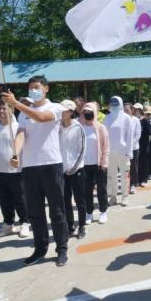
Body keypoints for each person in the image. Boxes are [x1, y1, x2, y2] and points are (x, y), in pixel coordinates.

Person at [1, 75, 69, 267]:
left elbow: (41, 117)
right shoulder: (23, 114)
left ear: (46, 88)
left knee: (57, 211)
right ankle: (40, 249)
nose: (33, 90)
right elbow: (21, 134)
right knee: (35, 212)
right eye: (31, 87)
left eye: (37, 87)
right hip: (30, 167)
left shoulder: (55, 107)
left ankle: (62, 248)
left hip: (51, 164)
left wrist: (16, 103)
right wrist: (15, 153)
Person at [0, 101, 30, 238]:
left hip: (16, 171)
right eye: (0, 108)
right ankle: (8, 223)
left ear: (12, 110)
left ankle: (25, 222)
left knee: (20, 198)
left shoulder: (17, 127)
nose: (2, 111)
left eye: (4, 108)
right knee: (4, 200)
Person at [59, 100, 87, 239]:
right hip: (62, 171)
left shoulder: (78, 127)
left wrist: (73, 168)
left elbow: (82, 150)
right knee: (65, 201)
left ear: (71, 112)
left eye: (64, 110)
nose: (61, 112)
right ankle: (70, 226)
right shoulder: (57, 127)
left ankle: (82, 226)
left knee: (79, 200)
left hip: (77, 170)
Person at [81, 102, 110, 224]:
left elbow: (106, 147)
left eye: (90, 112)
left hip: (98, 165)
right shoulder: (80, 127)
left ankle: (103, 211)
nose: (87, 114)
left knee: (101, 190)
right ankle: (89, 213)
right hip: (84, 165)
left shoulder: (101, 128)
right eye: (85, 112)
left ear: (94, 112)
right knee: (87, 191)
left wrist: (104, 163)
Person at [104, 96, 133, 206]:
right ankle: (113, 196)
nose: (114, 106)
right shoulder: (107, 118)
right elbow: (104, 136)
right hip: (110, 152)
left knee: (124, 175)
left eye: (116, 103)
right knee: (112, 176)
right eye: (112, 103)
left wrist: (129, 151)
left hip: (123, 151)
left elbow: (129, 136)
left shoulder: (126, 118)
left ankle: (125, 197)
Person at [126, 103, 142, 194]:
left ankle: (133, 184)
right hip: (124, 148)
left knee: (133, 167)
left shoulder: (136, 120)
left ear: (132, 110)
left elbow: (138, 134)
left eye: (127, 110)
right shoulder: (122, 120)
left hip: (134, 147)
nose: (125, 112)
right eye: (124, 110)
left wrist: (131, 145)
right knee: (124, 167)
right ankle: (124, 185)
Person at [137, 104, 151, 187]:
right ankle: (138, 179)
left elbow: (150, 133)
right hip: (136, 146)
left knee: (144, 163)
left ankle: (144, 179)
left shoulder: (145, 121)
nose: (136, 111)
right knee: (138, 163)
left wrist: (147, 143)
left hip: (144, 145)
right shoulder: (135, 120)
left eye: (138, 110)